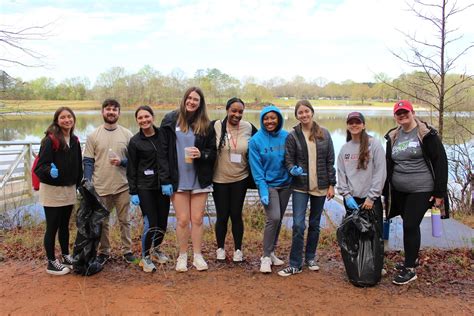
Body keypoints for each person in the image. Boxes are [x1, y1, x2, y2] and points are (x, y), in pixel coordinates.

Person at [385, 100, 448, 285]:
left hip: (422, 189)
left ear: (412, 113)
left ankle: (410, 270)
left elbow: (441, 162)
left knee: (410, 225)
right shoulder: (394, 136)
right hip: (399, 190)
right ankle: (411, 259)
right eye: (399, 113)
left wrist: (439, 192)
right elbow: (390, 162)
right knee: (409, 225)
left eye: (405, 112)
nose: (402, 115)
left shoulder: (426, 134)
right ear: (395, 116)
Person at [158, 87, 216, 272]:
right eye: (189, 98)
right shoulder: (170, 120)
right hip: (178, 179)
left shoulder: (206, 124)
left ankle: (198, 256)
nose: (191, 102)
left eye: (196, 100)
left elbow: (213, 153)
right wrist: (165, 180)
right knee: (182, 220)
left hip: (200, 178)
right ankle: (182, 256)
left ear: (201, 103)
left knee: (197, 219)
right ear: (184, 100)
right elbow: (162, 153)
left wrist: (202, 154)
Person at [278, 100, 336, 277]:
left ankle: (310, 257)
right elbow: (288, 160)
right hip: (300, 187)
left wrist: (332, 185)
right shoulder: (292, 136)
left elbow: (329, 161)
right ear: (296, 115)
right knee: (297, 224)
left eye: (306, 111)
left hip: (320, 186)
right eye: (300, 113)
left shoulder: (324, 134)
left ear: (312, 112)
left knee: (314, 224)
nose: (304, 115)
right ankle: (295, 263)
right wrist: (291, 169)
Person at [83, 99, 135, 265]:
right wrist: (88, 181)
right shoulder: (93, 135)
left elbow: (134, 161)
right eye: (108, 109)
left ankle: (127, 251)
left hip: (122, 186)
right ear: (102, 112)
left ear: (119, 113)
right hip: (100, 186)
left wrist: (122, 162)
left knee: (124, 221)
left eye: (114, 109)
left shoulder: (127, 134)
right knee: (103, 222)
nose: (111, 112)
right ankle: (104, 252)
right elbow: (88, 161)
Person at [34, 107, 83, 275]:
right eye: (63, 117)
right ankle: (51, 262)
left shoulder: (75, 140)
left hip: (69, 189)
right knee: (52, 227)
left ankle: (65, 256)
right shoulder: (50, 140)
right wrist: (50, 171)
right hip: (52, 190)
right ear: (57, 120)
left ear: (73, 119)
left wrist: (79, 184)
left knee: (64, 226)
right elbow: (40, 167)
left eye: (69, 116)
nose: (67, 120)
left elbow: (78, 165)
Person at [212, 97, 257, 262]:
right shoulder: (216, 126)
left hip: (241, 178)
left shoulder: (249, 127)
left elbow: (263, 140)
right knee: (222, 215)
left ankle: (238, 249)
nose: (237, 114)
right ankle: (220, 249)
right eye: (234, 111)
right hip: (219, 179)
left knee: (236, 214)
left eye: (240, 111)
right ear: (227, 110)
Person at [127, 106, 171, 273]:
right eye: (140, 118)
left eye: (147, 116)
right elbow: (131, 168)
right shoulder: (135, 141)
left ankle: (156, 250)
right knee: (150, 222)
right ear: (137, 121)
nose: (144, 120)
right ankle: (145, 257)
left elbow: (167, 159)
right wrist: (133, 191)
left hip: (162, 186)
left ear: (153, 117)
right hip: (144, 187)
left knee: (163, 221)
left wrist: (168, 181)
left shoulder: (163, 136)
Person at [249, 104, 291, 273]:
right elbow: (256, 168)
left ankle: (272, 251)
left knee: (279, 219)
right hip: (268, 185)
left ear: (279, 119)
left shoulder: (287, 137)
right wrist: (263, 189)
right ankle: (265, 257)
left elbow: (291, 158)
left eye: (273, 118)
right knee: (273, 218)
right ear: (262, 120)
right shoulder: (255, 140)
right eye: (266, 118)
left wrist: (294, 169)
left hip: (286, 184)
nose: (269, 121)